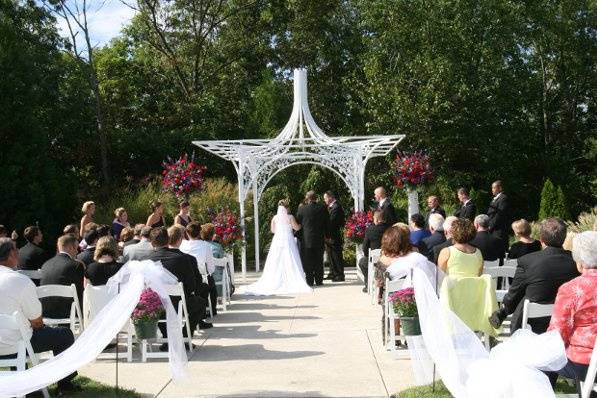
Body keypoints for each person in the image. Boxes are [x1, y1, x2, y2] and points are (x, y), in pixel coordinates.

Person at [0, 238, 80, 394]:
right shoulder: (19, 281)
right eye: (16, 249)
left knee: (18, 332)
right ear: (11, 254)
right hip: (17, 343)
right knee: (64, 335)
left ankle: (22, 383)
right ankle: (65, 385)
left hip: (7, 340)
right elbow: (37, 321)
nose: (18, 253)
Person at [489, 218, 580, 334]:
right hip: (567, 324)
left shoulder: (527, 261)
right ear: (564, 238)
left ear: (541, 240)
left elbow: (514, 293)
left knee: (523, 294)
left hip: (533, 327)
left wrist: (503, 311)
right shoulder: (576, 261)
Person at [547, 231, 597, 388]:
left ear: (580, 261)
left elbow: (557, 334)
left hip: (584, 362)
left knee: (539, 363)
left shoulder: (572, 289)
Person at [149, 227, 212, 342]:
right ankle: (184, 336)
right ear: (168, 240)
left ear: (152, 242)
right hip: (178, 303)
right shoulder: (182, 258)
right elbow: (192, 286)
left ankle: (166, 337)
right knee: (200, 304)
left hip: (156, 305)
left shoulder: (146, 260)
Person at [242, 200, 312, 295]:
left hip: (278, 240)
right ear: (286, 208)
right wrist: (300, 225)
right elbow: (296, 228)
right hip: (288, 240)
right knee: (290, 258)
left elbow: (273, 230)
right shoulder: (290, 217)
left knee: (276, 260)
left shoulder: (275, 218)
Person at [40, 235, 85, 319]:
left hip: (45, 311)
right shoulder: (76, 265)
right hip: (67, 312)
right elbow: (80, 292)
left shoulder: (45, 264)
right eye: (76, 248)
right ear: (71, 248)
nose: (77, 252)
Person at [180, 222, 218, 315]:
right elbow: (211, 267)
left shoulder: (182, 245)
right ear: (200, 233)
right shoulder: (205, 245)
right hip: (200, 279)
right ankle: (212, 309)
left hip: (185, 279)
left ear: (187, 233)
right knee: (212, 285)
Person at [296, 192, 329, 286]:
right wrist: (328, 235)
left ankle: (309, 280)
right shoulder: (322, 208)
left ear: (307, 198)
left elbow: (298, 224)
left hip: (306, 240)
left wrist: (299, 236)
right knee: (319, 260)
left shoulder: (302, 209)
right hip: (319, 238)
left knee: (308, 261)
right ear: (316, 198)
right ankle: (319, 280)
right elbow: (327, 223)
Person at [358, 211, 389, 292]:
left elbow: (365, 247)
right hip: (389, 258)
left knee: (362, 262)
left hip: (375, 260)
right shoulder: (391, 229)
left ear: (377, 219)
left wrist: (367, 256)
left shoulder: (370, 230)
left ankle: (368, 284)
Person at [323, 191, 346, 282]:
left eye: (325, 198)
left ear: (330, 197)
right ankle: (332, 272)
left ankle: (339, 274)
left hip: (334, 235)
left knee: (336, 255)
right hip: (329, 235)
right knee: (330, 255)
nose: (324, 200)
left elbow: (332, 222)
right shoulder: (331, 207)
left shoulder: (336, 207)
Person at [487, 180, 511, 250]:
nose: (492, 190)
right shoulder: (495, 199)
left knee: (500, 249)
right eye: (492, 188)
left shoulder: (503, 198)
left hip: (499, 230)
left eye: (494, 188)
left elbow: (499, 215)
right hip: (493, 229)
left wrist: (490, 226)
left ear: (500, 188)